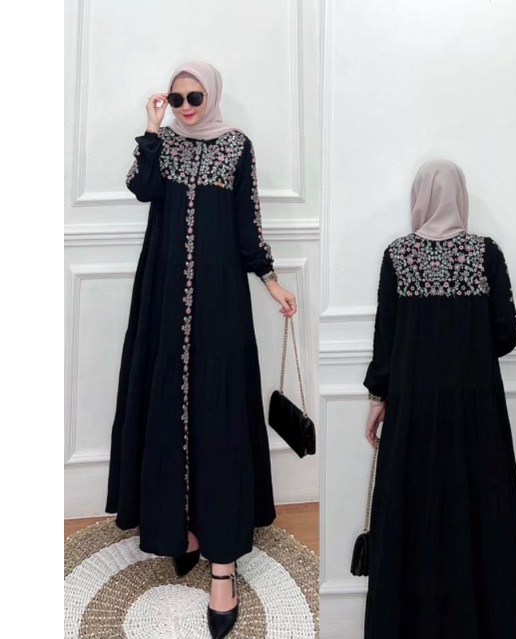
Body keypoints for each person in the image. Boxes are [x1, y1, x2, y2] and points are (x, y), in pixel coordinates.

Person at [105, 61, 297, 639]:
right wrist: (150, 128)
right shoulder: (162, 144)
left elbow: (247, 223)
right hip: (163, 301)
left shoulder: (237, 147)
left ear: (212, 95)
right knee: (169, 409)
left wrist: (270, 280)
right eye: (177, 98)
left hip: (219, 305)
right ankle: (180, 530)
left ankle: (222, 566)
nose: (186, 107)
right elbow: (142, 189)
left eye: (195, 98)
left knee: (217, 417)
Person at [363, 161, 516, 638]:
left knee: (414, 517)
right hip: (478, 413)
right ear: (460, 197)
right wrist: (468, 344)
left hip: (412, 411)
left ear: (419, 198)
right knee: (481, 515)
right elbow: (507, 334)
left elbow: (386, 338)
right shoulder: (485, 254)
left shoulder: (398, 256)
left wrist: (378, 397)